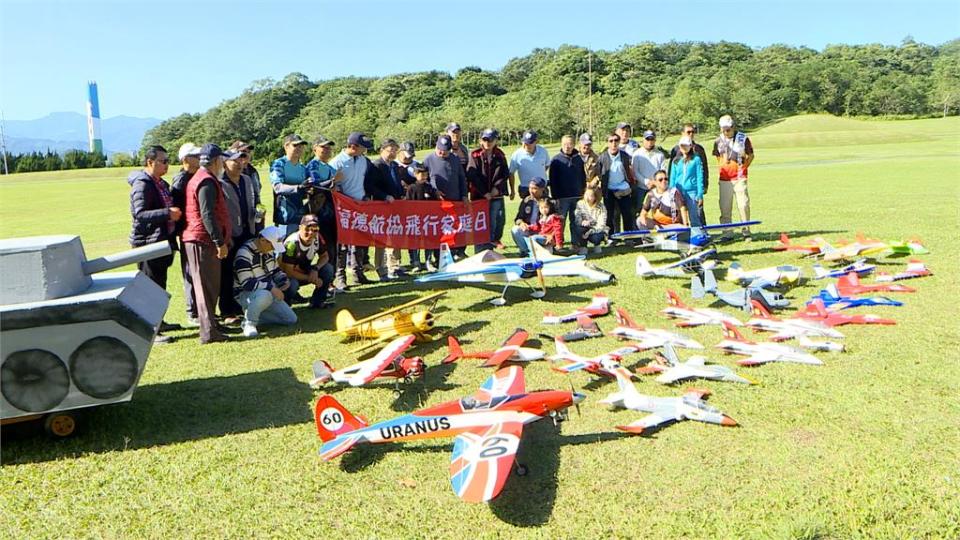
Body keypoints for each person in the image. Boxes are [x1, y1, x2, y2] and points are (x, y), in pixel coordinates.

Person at [128, 144, 180, 343]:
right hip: (147, 244)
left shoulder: (160, 183)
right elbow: (139, 214)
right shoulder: (142, 184)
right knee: (149, 288)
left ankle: (159, 322)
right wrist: (168, 213)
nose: (167, 165)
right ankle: (151, 331)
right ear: (150, 162)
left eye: (168, 161)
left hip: (162, 242)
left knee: (159, 286)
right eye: (163, 161)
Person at [183, 144, 232, 344]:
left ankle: (211, 324)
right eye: (222, 159)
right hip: (202, 240)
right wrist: (219, 242)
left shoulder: (204, 178)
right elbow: (207, 214)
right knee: (205, 288)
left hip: (203, 240)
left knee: (210, 286)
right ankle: (209, 332)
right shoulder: (206, 182)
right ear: (216, 161)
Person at [218, 149, 261, 321]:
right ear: (224, 163)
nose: (239, 163)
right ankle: (227, 310)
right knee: (227, 273)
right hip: (230, 234)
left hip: (248, 230)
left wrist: (258, 212)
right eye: (234, 160)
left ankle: (243, 305)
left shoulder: (247, 180)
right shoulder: (219, 183)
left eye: (242, 159)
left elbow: (253, 200)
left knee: (245, 270)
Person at [233, 226, 297, 339]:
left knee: (291, 319)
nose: (273, 249)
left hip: (268, 291)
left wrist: (283, 281)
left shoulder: (268, 251)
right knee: (265, 295)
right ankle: (249, 323)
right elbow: (247, 284)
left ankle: (253, 315)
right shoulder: (244, 254)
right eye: (272, 245)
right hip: (246, 294)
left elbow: (275, 270)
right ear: (263, 241)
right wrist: (272, 288)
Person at [330, 131, 375, 288]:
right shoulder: (337, 162)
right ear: (354, 147)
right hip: (344, 207)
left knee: (360, 241)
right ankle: (340, 276)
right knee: (343, 244)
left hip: (360, 205)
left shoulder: (363, 160)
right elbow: (333, 186)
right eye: (363, 147)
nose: (366, 150)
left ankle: (358, 272)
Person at [170, 143, 202, 326]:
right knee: (190, 271)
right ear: (185, 159)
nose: (198, 158)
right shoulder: (181, 180)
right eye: (194, 156)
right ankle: (192, 311)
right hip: (187, 232)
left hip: (196, 232)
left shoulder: (196, 176)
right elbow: (176, 210)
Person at [466, 128, 509, 252]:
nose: (487, 143)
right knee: (482, 223)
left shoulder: (500, 155)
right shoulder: (474, 155)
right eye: (485, 140)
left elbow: (504, 174)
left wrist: (496, 189)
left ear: (495, 141)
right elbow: (472, 175)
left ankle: (494, 243)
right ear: (480, 140)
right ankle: (482, 250)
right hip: (479, 196)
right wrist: (484, 193)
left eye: (490, 140)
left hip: (496, 195)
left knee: (498, 221)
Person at [367, 138, 405, 280]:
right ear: (382, 150)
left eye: (395, 150)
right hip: (381, 206)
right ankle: (381, 268)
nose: (393, 153)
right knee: (381, 238)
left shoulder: (394, 165)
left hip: (396, 205)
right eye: (390, 150)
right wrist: (384, 196)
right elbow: (370, 186)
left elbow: (396, 183)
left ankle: (395, 266)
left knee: (396, 235)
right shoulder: (376, 165)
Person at [279, 214, 335, 309]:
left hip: (305, 270)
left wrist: (315, 269)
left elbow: (325, 256)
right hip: (288, 276)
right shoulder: (292, 244)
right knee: (292, 284)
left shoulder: (317, 237)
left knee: (328, 269)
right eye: (307, 229)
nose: (310, 233)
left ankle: (317, 301)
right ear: (300, 227)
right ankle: (284, 305)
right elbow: (288, 272)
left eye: (315, 229)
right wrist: (310, 278)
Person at [713, 114, 755, 240]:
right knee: (725, 207)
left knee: (743, 205)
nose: (726, 132)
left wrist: (744, 168)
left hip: (739, 177)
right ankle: (727, 233)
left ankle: (746, 231)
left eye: (728, 129)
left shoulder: (743, 138)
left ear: (733, 127)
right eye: (724, 129)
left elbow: (751, 155)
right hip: (725, 179)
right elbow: (717, 157)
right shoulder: (718, 141)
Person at [304, 135, 338, 264]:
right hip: (319, 212)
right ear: (315, 149)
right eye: (323, 147)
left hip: (331, 211)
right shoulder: (313, 166)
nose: (327, 150)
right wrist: (333, 182)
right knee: (325, 246)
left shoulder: (329, 167)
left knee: (333, 244)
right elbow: (315, 185)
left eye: (329, 147)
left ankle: (332, 277)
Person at [548, 135, 586, 248]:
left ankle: (575, 243)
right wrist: (555, 196)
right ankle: (559, 243)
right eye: (564, 144)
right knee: (560, 222)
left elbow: (582, 176)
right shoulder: (556, 160)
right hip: (562, 197)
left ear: (574, 145)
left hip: (577, 196)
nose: (567, 146)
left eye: (569, 144)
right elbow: (553, 180)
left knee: (575, 221)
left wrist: (583, 191)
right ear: (561, 144)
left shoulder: (579, 159)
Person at [595, 131, 637, 235]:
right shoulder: (602, 157)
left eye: (616, 140)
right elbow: (599, 173)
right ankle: (611, 237)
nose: (614, 143)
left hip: (623, 189)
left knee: (627, 214)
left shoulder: (624, 156)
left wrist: (630, 186)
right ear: (607, 143)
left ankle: (628, 236)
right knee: (610, 215)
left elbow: (629, 171)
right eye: (611, 141)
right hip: (609, 190)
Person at [270, 134, 310, 237]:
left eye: (301, 146)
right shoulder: (279, 164)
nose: (299, 148)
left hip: (300, 215)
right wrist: (297, 187)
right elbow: (277, 187)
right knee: (284, 248)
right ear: (286, 146)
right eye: (295, 145)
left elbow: (305, 191)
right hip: (284, 216)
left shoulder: (302, 168)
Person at [668, 123, 709, 224]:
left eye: (686, 146)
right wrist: (671, 191)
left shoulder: (696, 158)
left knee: (695, 216)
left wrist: (700, 193)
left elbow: (700, 175)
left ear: (690, 146)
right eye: (682, 146)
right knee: (679, 217)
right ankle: (683, 237)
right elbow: (672, 176)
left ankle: (699, 235)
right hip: (678, 192)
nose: (684, 148)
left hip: (692, 192)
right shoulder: (676, 160)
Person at [405, 164, 437, 271]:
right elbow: (408, 204)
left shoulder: (430, 188)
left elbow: (434, 203)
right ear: (415, 174)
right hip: (415, 220)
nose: (423, 176)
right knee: (415, 241)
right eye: (420, 174)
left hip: (428, 219)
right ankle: (416, 262)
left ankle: (428, 261)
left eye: (425, 174)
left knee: (429, 240)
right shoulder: (411, 188)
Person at [631, 130, 667, 212]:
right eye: (647, 139)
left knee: (658, 211)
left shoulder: (660, 155)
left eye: (652, 139)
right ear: (643, 140)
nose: (649, 142)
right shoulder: (637, 154)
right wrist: (647, 182)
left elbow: (663, 171)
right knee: (641, 211)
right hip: (641, 188)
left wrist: (655, 182)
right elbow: (635, 171)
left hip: (657, 187)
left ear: (655, 140)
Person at [510, 177, 547, 256]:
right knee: (515, 230)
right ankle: (526, 251)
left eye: (535, 188)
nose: (531, 191)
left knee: (546, 253)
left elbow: (555, 222)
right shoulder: (526, 200)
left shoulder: (549, 202)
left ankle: (536, 250)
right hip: (528, 229)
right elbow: (518, 218)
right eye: (530, 188)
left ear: (542, 189)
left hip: (542, 232)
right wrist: (521, 223)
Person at [508, 130, 550, 199]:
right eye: (526, 142)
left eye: (530, 143)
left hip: (542, 188)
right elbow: (511, 173)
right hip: (525, 188)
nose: (527, 145)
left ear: (536, 141)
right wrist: (512, 191)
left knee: (545, 208)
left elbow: (547, 165)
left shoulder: (543, 151)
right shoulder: (516, 154)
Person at [575, 186, 609, 254]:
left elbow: (601, 225)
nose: (587, 197)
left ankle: (597, 245)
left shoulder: (601, 207)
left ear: (596, 197)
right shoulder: (580, 204)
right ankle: (583, 247)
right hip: (585, 227)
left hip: (597, 229)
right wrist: (582, 222)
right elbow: (577, 219)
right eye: (586, 194)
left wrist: (590, 232)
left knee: (596, 237)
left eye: (590, 196)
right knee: (579, 229)